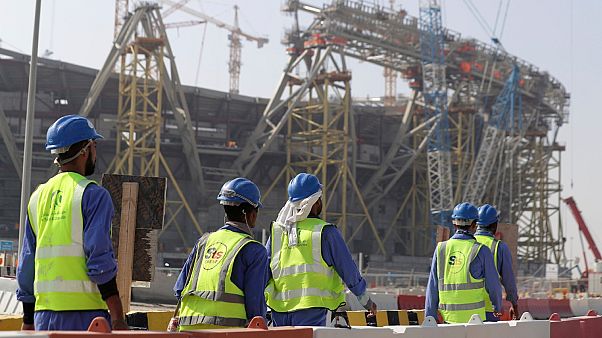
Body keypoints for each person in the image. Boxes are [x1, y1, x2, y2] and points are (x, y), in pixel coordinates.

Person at [16, 115, 127, 330]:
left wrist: (28, 320)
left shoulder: (37, 197)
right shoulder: (93, 195)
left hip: (43, 317)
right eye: (94, 145)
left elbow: (27, 264)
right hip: (85, 317)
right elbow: (99, 258)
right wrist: (117, 316)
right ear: (86, 149)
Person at [265, 173, 377, 326]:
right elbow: (348, 270)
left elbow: (263, 273)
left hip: (279, 312)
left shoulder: (277, 233)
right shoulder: (325, 232)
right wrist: (366, 301)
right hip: (313, 310)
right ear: (316, 202)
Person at [171, 178, 268, 331]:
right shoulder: (254, 250)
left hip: (188, 329)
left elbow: (179, 289)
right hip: (228, 331)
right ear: (249, 214)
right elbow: (255, 305)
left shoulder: (203, 242)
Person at [425, 202, 502, 324]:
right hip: (475, 321)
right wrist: (497, 308)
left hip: (448, 320)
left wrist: (430, 316)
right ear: (474, 225)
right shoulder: (481, 250)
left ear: (454, 224)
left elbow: (432, 287)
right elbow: (494, 286)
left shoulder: (441, 249)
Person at [475, 204, 519, 321]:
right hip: (490, 309)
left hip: (466, 309)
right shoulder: (499, 247)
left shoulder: (468, 243)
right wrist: (514, 304)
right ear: (495, 225)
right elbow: (508, 280)